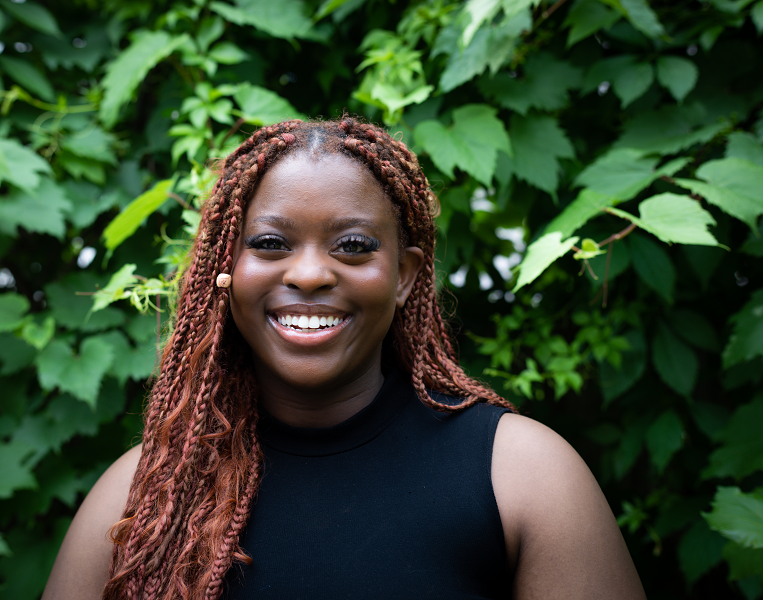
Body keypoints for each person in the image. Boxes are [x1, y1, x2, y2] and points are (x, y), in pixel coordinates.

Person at [42, 118, 646, 600]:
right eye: (270, 244)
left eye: (353, 246)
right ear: (227, 269)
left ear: (406, 276)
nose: (308, 274)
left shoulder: (523, 478)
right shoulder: (143, 495)